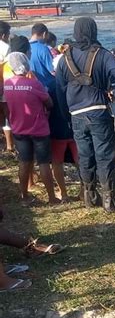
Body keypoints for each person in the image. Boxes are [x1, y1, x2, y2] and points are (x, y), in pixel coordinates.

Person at [55, 16, 115, 212]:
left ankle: (90, 197)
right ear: (93, 31)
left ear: (75, 32)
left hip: (76, 113)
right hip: (98, 111)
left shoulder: (64, 58)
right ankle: (109, 202)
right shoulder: (102, 54)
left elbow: (59, 91)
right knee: (105, 156)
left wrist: (66, 115)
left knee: (85, 155)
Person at [3, 52, 59, 205]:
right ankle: (52, 198)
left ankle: (24, 196)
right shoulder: (34, 84)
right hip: (39, 129)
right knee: (43, 163)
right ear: (27, 66)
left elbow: (5, 108)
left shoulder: (7, 85)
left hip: (19, 129)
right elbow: (49, 103)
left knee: (24, 162)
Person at [0, 20, 14, 153]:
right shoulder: (5, 47)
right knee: (7, 115)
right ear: (4, 35)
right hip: (3, 84)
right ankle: (10, 145)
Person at [29, 22, 55, 91]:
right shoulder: (43, 49)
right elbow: (53, 71)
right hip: (48, 86)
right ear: (44, 34)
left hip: (32, 86)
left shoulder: (25, 47)